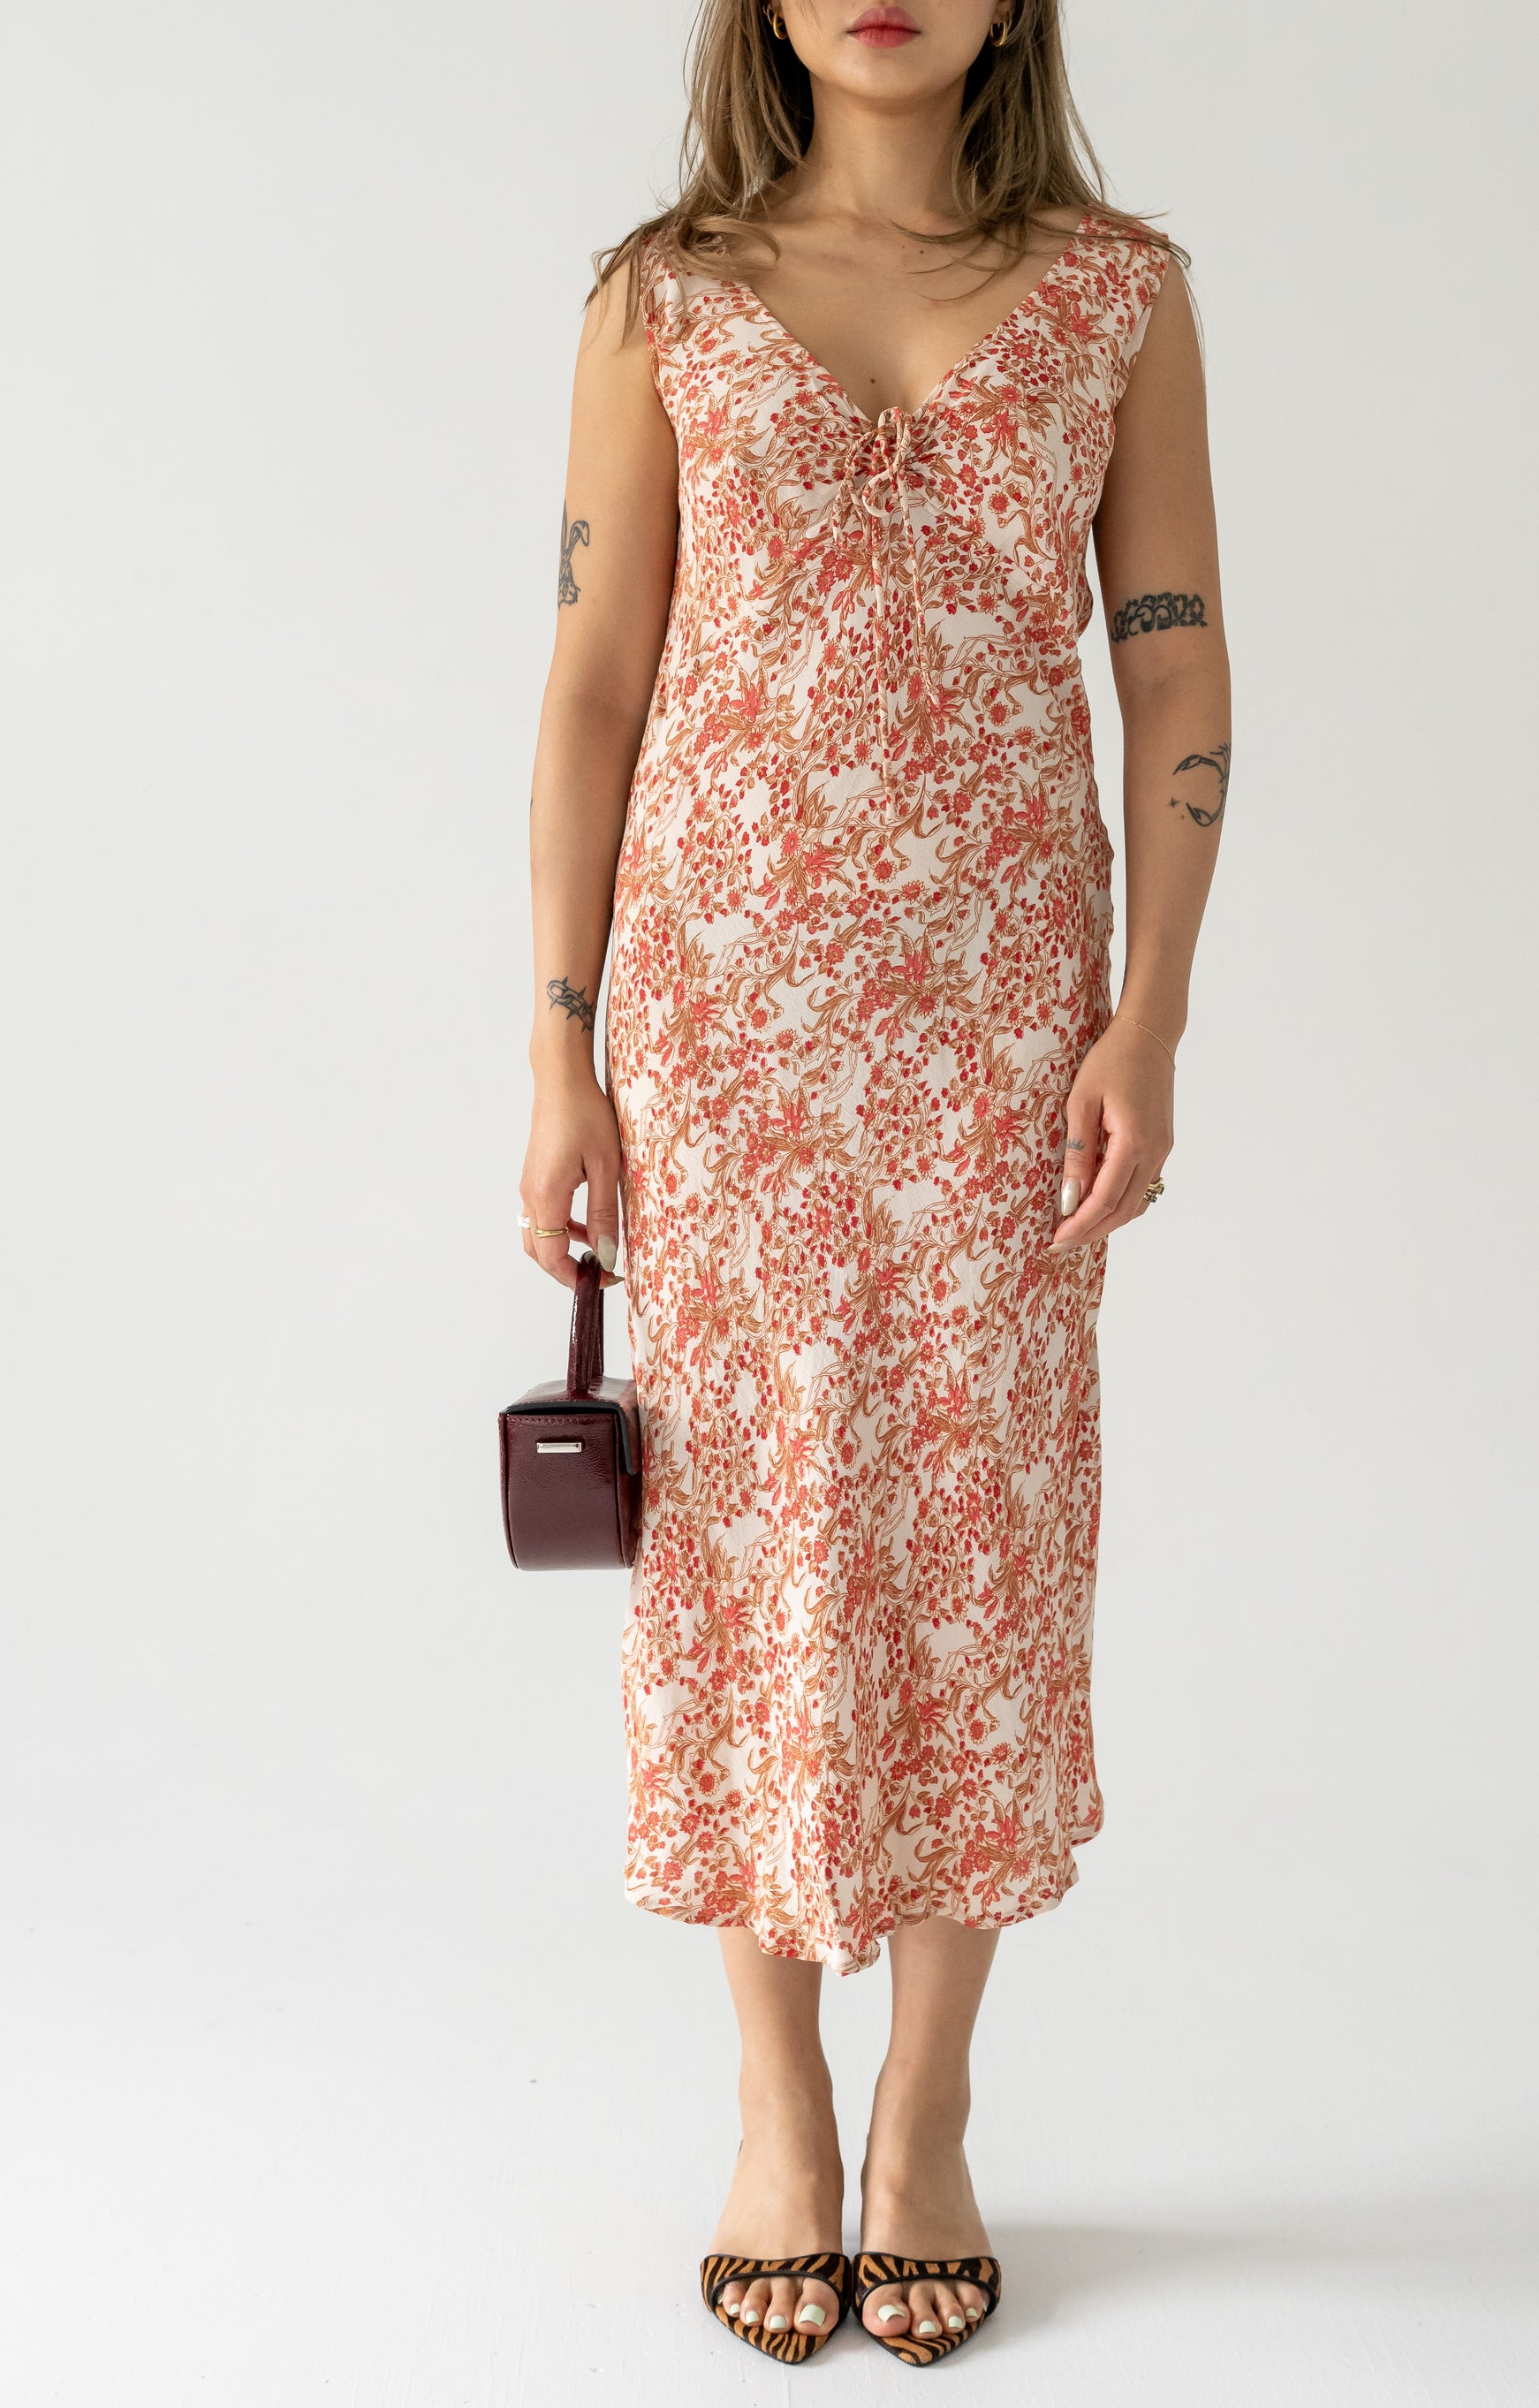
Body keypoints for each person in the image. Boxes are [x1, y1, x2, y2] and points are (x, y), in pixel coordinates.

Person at [519, 0, 1227, 2366]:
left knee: (969, 1532)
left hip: (996, 1036)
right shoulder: (662, 292)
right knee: (736, 1538)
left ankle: (922, 2112)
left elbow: (1172, 665)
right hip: (723, 1039)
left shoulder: (1119, 290)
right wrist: (559, 1045)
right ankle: (770, 2114)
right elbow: (594, 676)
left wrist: (1152, 1005)